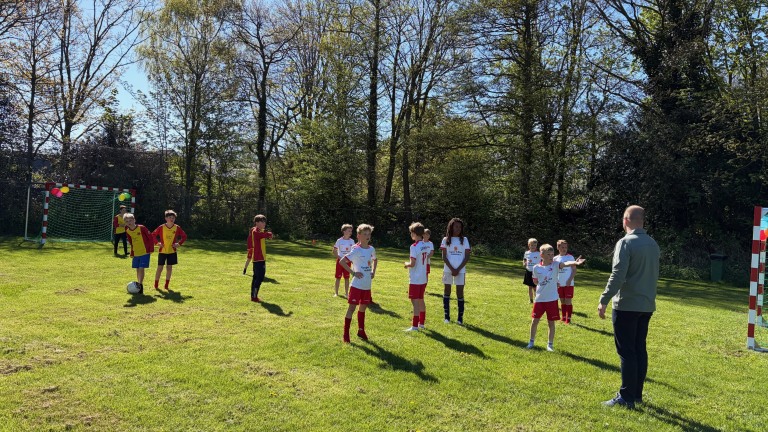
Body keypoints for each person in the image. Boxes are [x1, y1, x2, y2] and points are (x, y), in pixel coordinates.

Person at [598, 205, 660, 409]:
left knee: (627, 352)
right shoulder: (653, 244)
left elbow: (618, 275)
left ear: (626, 220)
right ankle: (636, 394)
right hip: (647, 305)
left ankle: (626, 397)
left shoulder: (625, 243)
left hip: (627, 305)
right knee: (639, 349)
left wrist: (604, 299)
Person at [526, 244, 585, 351]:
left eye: (552, 254)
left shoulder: (556, 264)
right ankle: (531, 342)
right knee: (534, 321)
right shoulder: (536, 268)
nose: (551, 256)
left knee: (551, 323)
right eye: (548, 254)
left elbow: (566, 263)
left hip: (552, 300)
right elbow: (535, 281)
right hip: (539, 299)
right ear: (541, 255)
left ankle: (550, 345)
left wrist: (575, 262)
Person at [338, 224, 377, 343]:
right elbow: (342, 261)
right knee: (351, 308)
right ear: (358, 236)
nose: (367, 236)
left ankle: (361, 330)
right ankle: (346, 334)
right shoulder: (356, 249)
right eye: (364, 234)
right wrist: (353, 273)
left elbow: (375, 260)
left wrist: (373, 272)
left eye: (368, 234)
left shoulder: (371, 249)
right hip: (356, 286)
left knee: (363, 309)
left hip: (367, 285)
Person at [440, 218, 470, 325]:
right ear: (451, 227)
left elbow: (466, 257)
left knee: (459, 292)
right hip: (448, 270)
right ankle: (447, 317)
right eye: (455, 226)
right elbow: (444, 257)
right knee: (447, 291)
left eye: (459, 227)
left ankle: (460, 319)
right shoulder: (445, 240)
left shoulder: (465, 240)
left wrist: (458, 269)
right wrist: (452, 269)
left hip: (460, 271)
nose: (457, 228)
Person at [404, 222, 430, 331]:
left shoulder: (413, 246)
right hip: (423, 277)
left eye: (411, 233)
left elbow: (413, 263)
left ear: (414, 233)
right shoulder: (425, 245)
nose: (411, 235)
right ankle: (422, 323)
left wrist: (406, 264)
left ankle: (414, 326)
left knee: (414, 301)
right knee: (421, 299)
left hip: (415, 278)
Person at [152, 210, 187, 290]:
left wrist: (179, 243)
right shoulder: (161, 227)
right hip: (162, 251)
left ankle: (166, 285)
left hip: (172, 251)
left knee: (169, 267)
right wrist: (158, 243)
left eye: (173, 218)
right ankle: (156, 284)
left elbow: (184, 236)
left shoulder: (177, 227)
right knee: (160, 267)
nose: (172, 219)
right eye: (170, 217)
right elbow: (153, 235)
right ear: (166, 218)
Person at [123, 213, 155, 294]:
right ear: (125, 223)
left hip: (145, 252)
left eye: (130, 220)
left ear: (134, 220)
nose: (129, 222)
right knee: (137, 269)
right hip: (136, 253)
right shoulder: (127, 231)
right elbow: (131, 242)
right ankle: (138, 285)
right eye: (127, 221)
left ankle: (140, 285)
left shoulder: (141, 228)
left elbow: (150, 237)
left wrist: (151, 249)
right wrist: (132, 252)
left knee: (141, 268)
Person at [247, 214, 274, 302]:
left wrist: (267, 235)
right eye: (262, 222)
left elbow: (263, 234)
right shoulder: (255, 231)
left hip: (261, 258)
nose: (264, 224)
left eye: (264, 222)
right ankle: (254, 297)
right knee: (259, 277)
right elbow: (261, 235)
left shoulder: (259, 230)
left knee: (256, 277)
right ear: (257, 222)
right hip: (258, 258)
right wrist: (269, 234)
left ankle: (253, 296)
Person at [553, 239, 576, 323]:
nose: (564, 249)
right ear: (558, 247)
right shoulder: (555, 258)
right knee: (562, 300)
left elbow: (574, 270)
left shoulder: (570, 257)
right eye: (562, 247)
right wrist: (556, 281)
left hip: (568, 283)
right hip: (559, 284)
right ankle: (563, 317)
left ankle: (568, 318)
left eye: (566, 247)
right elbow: (554, 272)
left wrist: (570, 280)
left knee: (568, 300)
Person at [332, 224, 356, 297]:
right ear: (344, 231)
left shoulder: (352, 241)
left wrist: (350, 260)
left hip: (348, 262)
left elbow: (354, 252)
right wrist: (340, 259)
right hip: (339, 262)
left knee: (347, 278)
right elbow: (334, 251)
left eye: (351, 231)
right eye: (349, 231)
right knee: (338, 277)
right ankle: (336, 293)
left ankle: (346, 293)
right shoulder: (339, 240)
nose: (350, 232)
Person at [523, 238, 540, 303]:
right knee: (529, 287)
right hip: (528, 271)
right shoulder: (526, 253)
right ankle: (531, 300)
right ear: (529, 245)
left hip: (535, 272)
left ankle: (537, 300)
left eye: (535, 245)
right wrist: (524, 263)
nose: (533, 247)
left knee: (535, 287)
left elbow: (542, 261)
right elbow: (524, 259)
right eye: (532, 245)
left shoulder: (538, 253)